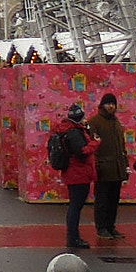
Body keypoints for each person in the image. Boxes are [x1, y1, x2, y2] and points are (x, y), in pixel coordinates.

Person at [51, 104, 94, 250]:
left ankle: (73, 236)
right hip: (78, 173)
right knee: (76, 206)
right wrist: (96, 143)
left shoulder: (66, 130)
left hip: (73, 172)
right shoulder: (74, 132)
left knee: (75, 205)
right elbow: (82, 151)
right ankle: (73, 238)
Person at [88, 93, 128, 241]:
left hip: (117, 167)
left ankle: (111, 226)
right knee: (102, 200)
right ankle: (102, 227)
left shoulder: (116, 123)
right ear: (102, 105)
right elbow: (93, 145)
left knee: (113, 200)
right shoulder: (95, 122)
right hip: (103, 167)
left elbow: (122, 146)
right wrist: (96, 164)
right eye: (108, 103)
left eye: (113, 103)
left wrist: (125, 165)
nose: (111, 106)